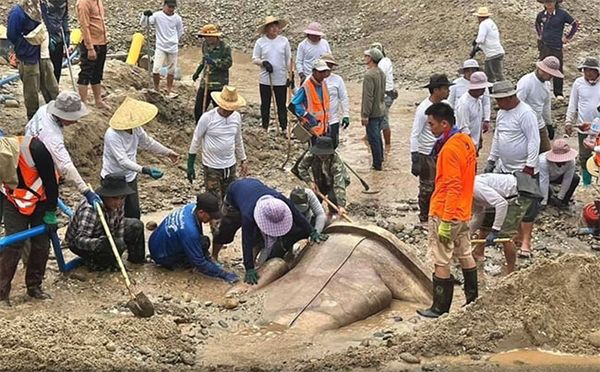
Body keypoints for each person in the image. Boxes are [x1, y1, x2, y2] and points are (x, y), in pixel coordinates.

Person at [416, 102, 477, 318]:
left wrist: (445, 221)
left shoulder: (449, 150)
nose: (430, 128)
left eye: (432, 124)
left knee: (440, 259)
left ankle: (439, 308)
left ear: (444, 124)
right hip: (464, 210)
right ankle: (472, 300)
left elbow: (453, 185)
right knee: (465, 254)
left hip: (446, 211)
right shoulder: (466, 141)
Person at [212, 178, 324, 285]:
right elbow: (247, 240)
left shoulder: (281, 199)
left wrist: (312, 232)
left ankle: (257, 264)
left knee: (258, 236)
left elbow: (298, 216)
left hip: (254, 187)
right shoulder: (248, 215)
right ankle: (214, 256)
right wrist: (249, 268)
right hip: (234, 197)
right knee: (225, 230)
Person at [0, 136, 59, 305]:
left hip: (41, 200)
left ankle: (34, 287)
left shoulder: (35, 149)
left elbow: (50, 182)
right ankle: (2, 294)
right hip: (14, 201)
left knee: (41, 243)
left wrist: (51, 212)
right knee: (12, 243)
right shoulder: (3, 160)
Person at [485, 80, 540, 259]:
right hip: (505, 166)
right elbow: (497, 137)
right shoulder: (502, 113)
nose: (497, 103)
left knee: (527, 206)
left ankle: (526, 242)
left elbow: (534, 140)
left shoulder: (525, 113)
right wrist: (492, 159)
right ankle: (513, 235)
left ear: (509, 97)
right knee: (509, 203)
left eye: (500, 100)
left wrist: (530, 165)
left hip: (523, 167)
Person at [101, 97, 179, 219]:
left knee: (133, 213)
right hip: (113, 178)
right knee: (113, 215)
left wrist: (167, 152)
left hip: (130, 177)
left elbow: (148, 143)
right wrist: (145, 170)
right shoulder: (112, 135)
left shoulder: (135, 128)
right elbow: (123, 160)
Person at [25, 91, 102, 207]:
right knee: (38, 196)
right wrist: (86, 191)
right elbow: (66, 166)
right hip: (32, 167)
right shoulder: (52, 136)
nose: (76, 121)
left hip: (29, 148)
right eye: (74, 117)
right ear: (62, 115)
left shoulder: (44, 109)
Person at [149, 192, 239, 283]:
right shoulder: (189, 231)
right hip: (162, 256)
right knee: (202, 246)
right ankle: (177, 263)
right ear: (201, 212)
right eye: (211, 216)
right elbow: (200, 263)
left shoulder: (191, 208)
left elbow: (198, 233)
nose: (212, 219)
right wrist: (223, 274)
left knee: (202, 242)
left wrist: (208, 258)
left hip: (154, 243)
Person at [66, 173, 146, 271]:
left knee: (136, 226)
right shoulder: (90, 210)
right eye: (115, 198)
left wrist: (118, 249)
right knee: (110, 245)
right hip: (84, 243)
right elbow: (79, 240)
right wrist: (100, 244)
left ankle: (136, 261)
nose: (119, 202)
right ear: (105, 196)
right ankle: (98, 263)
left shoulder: (119, 203)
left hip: (105, 231)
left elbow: (119, 227)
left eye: (122, 198)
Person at [187, 86, 249, 202]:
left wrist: (243, 159)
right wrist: (190, 164)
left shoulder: (236, 117)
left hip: (230, 166)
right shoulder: (207, 118)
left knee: (230, 200)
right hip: (212, 167)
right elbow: (196, 139)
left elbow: (238, 139)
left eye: (230, 109)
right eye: (225, 108)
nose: (227, 112)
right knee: (214, 202)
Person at [410, 74, 454, 224]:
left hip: (439, 151)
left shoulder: (444, 107)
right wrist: (415, 157)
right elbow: (415, 134)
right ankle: (424, 217)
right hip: (425, 152)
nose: (448, 91)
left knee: (440, 184)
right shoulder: (424, 109)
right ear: (436, 90)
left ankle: (435, 213)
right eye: (445, 88)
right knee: (427, 187)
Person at [7, 0, 59, 119]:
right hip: (28, 56)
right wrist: (25, 45)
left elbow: (47, 23)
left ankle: (56, 115)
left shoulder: (41, 6)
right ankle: (33, 118)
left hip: (43, 54)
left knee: (51, 86)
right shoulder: (18, 12)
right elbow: (12, 34)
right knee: (31, 90)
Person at [470, 173, 520, 274]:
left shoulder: (475, 188)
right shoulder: (472, 193)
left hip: (517, 195)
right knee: (486, 225)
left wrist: (495, 230)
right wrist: (467, 234)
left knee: (506, 236)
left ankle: (511, 272)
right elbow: (478, 215)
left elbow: (502, 204)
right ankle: (478, 253)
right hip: (502, 198)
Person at [252, 15, 291, 132]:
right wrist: (263, 63)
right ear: (266, 28)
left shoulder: (284, 41)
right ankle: (265, 126)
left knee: (281, 104)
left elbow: (288, 59)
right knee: (265, 104)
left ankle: (283, 127)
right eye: (271, 26)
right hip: (265, 78)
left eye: (276, 26)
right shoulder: (260, 42)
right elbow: (254, 58)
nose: (274, 29)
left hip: (280, 78)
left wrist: (290, 75)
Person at [565, 57, 600, 186]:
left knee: (598, 156)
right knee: (584, 156)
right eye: (585, 70)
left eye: (591, 71)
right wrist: (568, 121)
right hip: (583, 128)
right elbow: (572, 104)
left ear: (597, 71)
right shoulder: (578, 83)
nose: (588, 73)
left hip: (599, 129)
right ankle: (587, 184)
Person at [516, 56, 563, 152]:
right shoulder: (526, 82)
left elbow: (546, 106)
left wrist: (549, 124)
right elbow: (518, 104)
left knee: (545, 153)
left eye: (552, 74)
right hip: (525, 124)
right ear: (540, 69)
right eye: (548, 73)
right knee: (526, 152)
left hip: (539, 123)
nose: (550, 76)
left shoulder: (547, 84)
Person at [535, 0, 578, 99]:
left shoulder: (562, 14)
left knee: (557, 67)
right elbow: (537, 24)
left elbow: (575, 24)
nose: (549, 3)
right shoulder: (541, 15)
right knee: (542, 66)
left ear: (555, 2)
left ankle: (558, 92)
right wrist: (540, 34)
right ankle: (540, 88)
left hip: (556, 45)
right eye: (547, 1)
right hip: (544, 45)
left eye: (551, 1)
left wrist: (567, 37)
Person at [296, 136, 349, 216]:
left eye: (325, 154)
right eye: (320, 153)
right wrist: (309, 182)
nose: (322, 156)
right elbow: (301, 167)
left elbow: (339, 184)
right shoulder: (311, 154)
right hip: (320, 179)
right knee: (314, 197)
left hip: (334, 181)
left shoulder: (336, 162)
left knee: (333, 198)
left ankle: (332, 214)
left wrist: (341, 205)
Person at [141, 0, 184, 98]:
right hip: (160, 46)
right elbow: (145, 24)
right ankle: (156, 88)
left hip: (172, 47)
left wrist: (174, 40)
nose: (171, 9)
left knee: (171, 70)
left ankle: (169, 90)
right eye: (169, 7)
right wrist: (144, 15)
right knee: (156, 69)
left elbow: (180, 31)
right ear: (164, 6)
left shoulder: (177, 18)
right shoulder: (157, 16)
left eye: (173, 7)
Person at [192, 24, 232, 122]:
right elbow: (204, 60)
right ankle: (200, 127)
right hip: (205, 81)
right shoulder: (205, 45)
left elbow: (228, 64)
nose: (207, 39)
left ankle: (219, 129)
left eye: (209, 37)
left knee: (219, 109)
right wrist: (197, 72)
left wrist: (214, 63)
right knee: (199, 108)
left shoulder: (225, 47)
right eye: (206, 37)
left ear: (216, 36)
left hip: (218, 84)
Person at [77, 0, 109, 109]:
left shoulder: (97, 1)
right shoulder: (84, 3)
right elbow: (84, 26)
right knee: (86, 73)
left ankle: (98, 100)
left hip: (101, 42)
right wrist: (90, 48)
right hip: (91, 43)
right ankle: (82, 104)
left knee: (97, 73)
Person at [448, 59, 491, 134]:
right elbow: (450, 103)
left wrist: (486, 119)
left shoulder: (482, 86)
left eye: (473, 70)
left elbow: (486, 103)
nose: (471, 73)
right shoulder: (456, 84)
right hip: (459, 119)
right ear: (464, 72)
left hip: (476, 119)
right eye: (468, 70)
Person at [291, 59, 331, 139]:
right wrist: (306, 115)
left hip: (323, 128)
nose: (322, 75)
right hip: (311, 129)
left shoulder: (324, 84)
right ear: (314, 72)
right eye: (320, 72)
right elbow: (295, 104)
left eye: (324, 72)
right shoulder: (307, 86)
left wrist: (327, 123)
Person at [361, 48, 386, 171]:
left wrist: (365, 114)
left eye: (366, 55)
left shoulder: (369, 75)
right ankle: (380, 159)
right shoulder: (381, 72)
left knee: (373, 138)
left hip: (373, 112)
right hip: (381, 109)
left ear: (371, 58)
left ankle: (377, 165)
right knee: (378, 137)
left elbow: (368, 97)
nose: (364, 57)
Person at [455, 71, 493, 148]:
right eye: (482, 88)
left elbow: (476, 122)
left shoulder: (478, 100)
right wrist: (472, 145)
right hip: (466, 145)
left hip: (474, 142)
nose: (484, 90)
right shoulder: (464, 104)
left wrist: (479, 138)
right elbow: (464, 128)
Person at [371, 42, 396, 155]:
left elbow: (378, 79)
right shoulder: (385, 61)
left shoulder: (382, 64)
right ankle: (368, 138)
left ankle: (387, 146)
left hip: (385, 96)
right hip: (387, 94)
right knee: (376, 119)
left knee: (383, 120)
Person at [539, 138, 579, 209]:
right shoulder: (543, 162)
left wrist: (560, 197)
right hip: (541, 177)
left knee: (575, 178)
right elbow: (543, 181)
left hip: (557, 176)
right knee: (544, 197)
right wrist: (544, 201)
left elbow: (567, 179)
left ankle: (563, 202)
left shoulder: (571, 161)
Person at [321, 53, 349, 149]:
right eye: (326, 65)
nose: (328, 68)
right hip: (318, 122)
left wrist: (346, 115)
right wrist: (293, 88)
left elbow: (344, 97)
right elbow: (303, 95)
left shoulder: (337, 80)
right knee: (318, 147)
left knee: (333, 145)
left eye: (330, 65)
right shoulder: (313, 79)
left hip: (333, 120)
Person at [473, 6, 505, 83]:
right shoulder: (491, 22)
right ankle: (490, 89)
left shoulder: (483, 24)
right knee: (488, 75)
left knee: (498, 76)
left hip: (493, 54)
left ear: (480, 17)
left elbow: (480, 39)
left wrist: (476, 43)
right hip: (494, 52)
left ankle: (505, 90)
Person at [42, 0, 69, 83]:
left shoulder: (63, 1)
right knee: (46, 68)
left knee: (57, 68)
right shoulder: (43, 2)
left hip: (59, 37)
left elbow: (64, 17)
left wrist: (66, 32)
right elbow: (41, 18)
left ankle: (55, 89)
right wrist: (48, 34)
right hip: (44, 38)